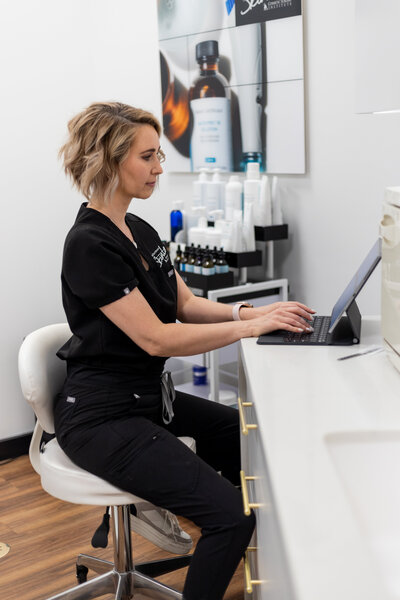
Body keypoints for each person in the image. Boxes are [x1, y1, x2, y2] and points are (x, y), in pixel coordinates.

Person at [54, 101, 315, 600]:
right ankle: (227, 536)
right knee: (230, 518)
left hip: (148, 400)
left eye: (158, 155)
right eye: (147, 156)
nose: (158, 168)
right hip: (102, 417)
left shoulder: (142, 230)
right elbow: (157, 337)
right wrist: (249, 331)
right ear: (109, 160)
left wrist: (252, 314)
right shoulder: (88, 244)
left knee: (253, 445)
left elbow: (186, 305)